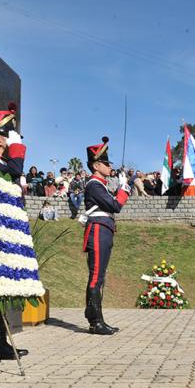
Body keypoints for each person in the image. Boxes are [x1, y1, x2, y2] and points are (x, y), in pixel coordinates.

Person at [0, 102, 30, 361]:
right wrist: (18, 148)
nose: (14, 141)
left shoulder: (4, 167)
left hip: (3, 236)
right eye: (10, 135)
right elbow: (15, 169)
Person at [83, 136, 130, 335]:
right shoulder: (94, 185)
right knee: (96, 276)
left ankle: (98, 318)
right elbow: (115, 206)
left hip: (104, 230)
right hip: (98, 230)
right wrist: (124, 188)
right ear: (95, 165)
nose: (109, 166)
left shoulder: (100, 185)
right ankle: (95, 320)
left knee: (100, 277)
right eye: (105, 163)